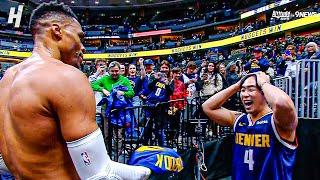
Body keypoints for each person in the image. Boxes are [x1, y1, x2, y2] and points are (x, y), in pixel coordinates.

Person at [0, 2, 150, 179]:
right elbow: (100, 175)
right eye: (80, 37)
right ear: (57, 31)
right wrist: (147, 171)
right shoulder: (66, 77)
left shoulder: (7, 79)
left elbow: (7, 162)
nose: (83, 47)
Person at [202, 72, 298, 179]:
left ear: (264, 92)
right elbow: (207, 107)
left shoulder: (277, 121)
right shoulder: (239, 120)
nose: (245, 94)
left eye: (251, 89)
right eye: (243, 90)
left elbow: (281, 102)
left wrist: (264, 83)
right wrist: (236, 86)